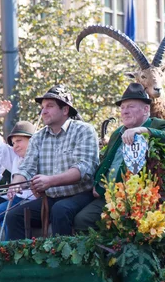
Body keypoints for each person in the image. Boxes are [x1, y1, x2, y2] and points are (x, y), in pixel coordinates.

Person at [73, 83, 165, 232]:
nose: (125, 111)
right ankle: (97, 253)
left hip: (140, 198)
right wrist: (98, 185)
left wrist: (143, 130)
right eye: (122, 108)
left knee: (124, 229)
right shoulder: (118, 133)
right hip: (108, 195)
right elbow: (106, 162)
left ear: (146, 109)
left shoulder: (158, 124)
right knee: (81, 219)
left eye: (130, 106)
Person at [5, 85, 98, 239]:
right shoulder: (38, 137)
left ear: (65, 110)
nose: (44, 111)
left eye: (50, 106)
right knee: (14, 216)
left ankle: (63, 261)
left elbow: (84, 169)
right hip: (51, 199)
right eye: (42, 107)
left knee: (61, 209)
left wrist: (50, 181)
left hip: (81, 194)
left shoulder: (84, 130)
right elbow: (26, 168)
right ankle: (23, 262)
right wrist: (15, 185)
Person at [0, 101, 36, 241]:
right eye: (13, 142)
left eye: (19, 140)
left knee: (8, 224)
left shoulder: (42, 156)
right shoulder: (14, 157)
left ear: (33, 140)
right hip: (15, 200)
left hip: (33, 203)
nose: (15, 145)